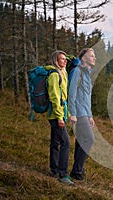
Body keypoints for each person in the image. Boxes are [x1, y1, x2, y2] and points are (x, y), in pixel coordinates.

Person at [46, 50, 75, 186]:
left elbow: (64, 97)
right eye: (62, 59)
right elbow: (54, 97)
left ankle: (54, 169)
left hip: (61, 113)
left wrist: (67, 114)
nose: (65, 61)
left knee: (55, 142)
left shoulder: (64, 72)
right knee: (65, 143)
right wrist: (59, 117)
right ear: (55, 61)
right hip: (55, 115)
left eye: (65, 59)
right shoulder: (53, 75)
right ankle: (63, 175)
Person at [68, 48, 96, 180]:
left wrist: (90, 115)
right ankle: (77, 170)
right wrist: (72, 113)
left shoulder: (86, 74)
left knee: (81, 141)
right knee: (89, 139)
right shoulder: (77, 71)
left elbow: (87, 97)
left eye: (94, 56)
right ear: (83, 58)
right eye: (91, 56)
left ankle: (78, 169)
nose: (94, 58)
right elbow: (71, 93)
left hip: (85, 112)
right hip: (78, 112)